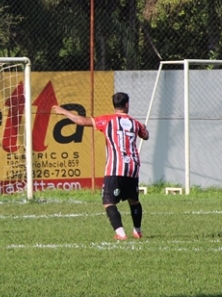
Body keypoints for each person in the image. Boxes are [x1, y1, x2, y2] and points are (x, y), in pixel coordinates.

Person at [52, 92, 149, 241]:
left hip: (115, 168)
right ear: (127, 105)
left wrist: (64, 111)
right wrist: (144, 128)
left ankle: (121, 233)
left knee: (108, 201)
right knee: (133, 200)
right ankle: (137, 231)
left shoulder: (107, 120)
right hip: (132, 168)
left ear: (114, 105)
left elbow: (82, 121)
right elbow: (145, 135)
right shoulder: (135, 123)